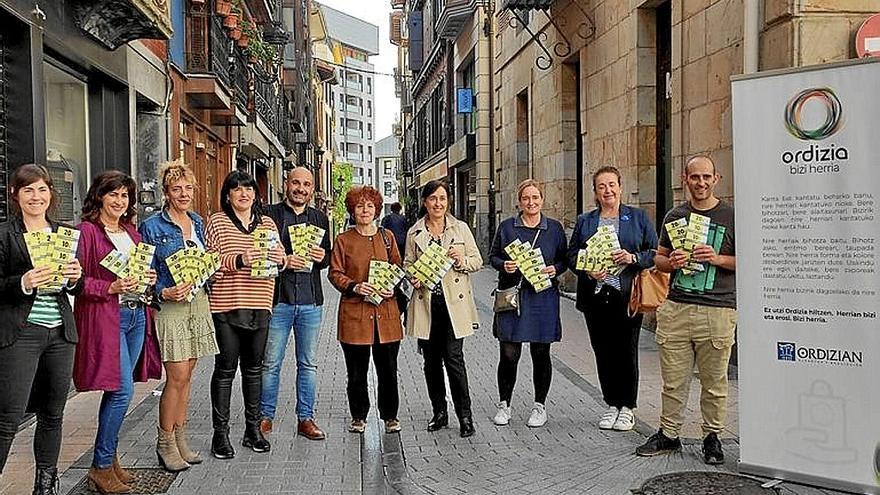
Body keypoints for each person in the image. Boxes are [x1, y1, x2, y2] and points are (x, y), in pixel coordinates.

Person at [635, 155, 736, 465]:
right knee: (674, 380)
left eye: (707, 177)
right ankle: (669, 433)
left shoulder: (731, 216)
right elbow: (659, 260)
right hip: (677, 308)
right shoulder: (675, 216)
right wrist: (672, 262)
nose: (701, 182)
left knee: (714, 381)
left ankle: (713, 437)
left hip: (717, 310)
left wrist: (718, 259)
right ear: (685, 178)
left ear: (716, 179)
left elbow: (750, 263)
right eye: (695, 177)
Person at [75, 170, 161, 493]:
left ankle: (110, 459)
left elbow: (138, 270)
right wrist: (110, 286)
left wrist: (148, 279)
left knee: (116, 391)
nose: (119, 201)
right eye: (113, 194)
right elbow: (77, 282)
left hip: (137, 315)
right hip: (108, 318)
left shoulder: (131, 233)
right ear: (99, 196)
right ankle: (99, 465)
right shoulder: (87, 233)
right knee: (123, 390)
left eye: (125, 196)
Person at [0, 165, 83, 494]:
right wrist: (21, 282)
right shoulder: (5, 234)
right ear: (15, 195)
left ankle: (45, 485)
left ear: (51, 194)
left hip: (60, 334)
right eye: (28, 190)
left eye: (42, 190)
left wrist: (76, 278)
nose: (36, 197)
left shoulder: (64, 234)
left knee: (53, 413)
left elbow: (75, 286)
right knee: (9, 417)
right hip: (21, 334)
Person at [139, 160, 218, 471]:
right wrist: (163, 291)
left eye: (188, 188)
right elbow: (144, 270)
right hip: (171, 304)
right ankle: (164, 441)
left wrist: (210, 268)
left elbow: (201, 260)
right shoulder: (152, 226)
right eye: (177, 189)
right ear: (166, 193)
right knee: (176, 376)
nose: (184, 193)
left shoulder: (197, 221)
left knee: (189, 377)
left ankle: (180, 437)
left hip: (198, 301)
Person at [568, 166, 658, 432]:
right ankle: (611, 404)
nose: (607, 190)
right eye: (601, 186)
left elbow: (654, 252)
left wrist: (633, 258)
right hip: (595, 296)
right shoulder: (586, 221)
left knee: (626, 352)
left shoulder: (638, 217)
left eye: (611, 185)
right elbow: (572, 254)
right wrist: (586, 268)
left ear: (620, 187)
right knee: (603, 351)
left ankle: (627, 407)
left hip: (626, 294)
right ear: (595, 192)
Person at [205, 170, 284, 459]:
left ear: (255, 194)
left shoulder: (268, 224)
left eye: (248, 189)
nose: (243, 194)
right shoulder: (217, 222)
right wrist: (239, 259)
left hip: (260, 305)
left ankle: (253, 430)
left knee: (254, 370)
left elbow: (281, 258)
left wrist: (281, 258)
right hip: (227, 305)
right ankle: (220, 435)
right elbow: (210, 262)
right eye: (237, 189)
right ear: (228, 195)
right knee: (225, 371)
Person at [404, 180, 481, 438]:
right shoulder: (414, 233)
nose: (438, 203)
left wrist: (461, 261)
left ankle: (465, 416)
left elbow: (477, 260)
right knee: (431, 363)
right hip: (427, 304)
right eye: (433, 198)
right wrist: (412, 276)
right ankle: (439, 412)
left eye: (443, 199)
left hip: (454, 305)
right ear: (425, 202)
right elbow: (407, 264)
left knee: (454, 360)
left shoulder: (460, 229)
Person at [488, 179, 568, 428]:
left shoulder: (553, 229)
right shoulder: (507, 227)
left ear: (542, 200)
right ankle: (504, 404)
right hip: (514, 296)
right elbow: (492, 256)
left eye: (535, 198)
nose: (531, 203)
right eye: (526, 198)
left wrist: (554, 269)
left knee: (541, 353)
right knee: (509, 353)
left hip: (542, 297)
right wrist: (504, 265)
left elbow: (565, 260)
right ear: (519, 201)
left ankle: (539, 406)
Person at [260, 167, 331, 440]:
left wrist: (323, 255)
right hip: (278, 300)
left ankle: (306, 418)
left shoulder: (320, 218)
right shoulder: (269, 216)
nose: (301, 189)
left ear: (312, 189)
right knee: (271, 363)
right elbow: (263, 252)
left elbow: (326, 260)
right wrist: (285, 260)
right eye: (296, 183)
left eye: (307, 185)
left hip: (311, 301)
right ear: (286, 184)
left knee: (309, 363)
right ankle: (265, 417)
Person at [328, 186, 403, 434]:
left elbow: (397, 268)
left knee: (388, 371)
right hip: (355, 315)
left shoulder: (387, 237)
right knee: (357, 372)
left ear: (377, 209)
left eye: (370, 206)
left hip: (386, 315)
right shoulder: (343, 240)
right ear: (352, 210)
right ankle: (358, 415)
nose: (365, 210)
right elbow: (335, 272)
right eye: (360, 206)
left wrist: (392, 286)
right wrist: (354, 286)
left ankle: (390, 416)